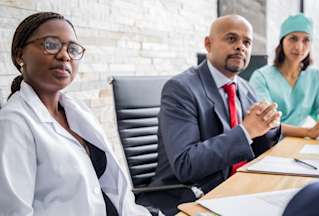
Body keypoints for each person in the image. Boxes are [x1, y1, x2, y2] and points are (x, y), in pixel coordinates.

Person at [0, 12, 153, 216]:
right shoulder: (13, 123)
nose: (65, 56)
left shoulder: (76, 110)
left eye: (72, 49)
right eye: (51, 44)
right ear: (20, 56)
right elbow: (14, 212)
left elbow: (110, 188)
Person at [137, 14, 282, 215]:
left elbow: (255, 149)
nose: (241, 46)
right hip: (188, 196)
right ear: (208, 44)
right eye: (232, 39)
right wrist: (246, 131)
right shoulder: (181, 89)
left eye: (247, 42)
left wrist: (269, 127)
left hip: (235, 189)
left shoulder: (246, 88)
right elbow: (186, 165)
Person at [249, 13, 319, 139]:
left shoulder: (314, 77)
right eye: (293, 38)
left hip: (299, 144)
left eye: (306, 40)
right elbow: (266, 122)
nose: (299, 47)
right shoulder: (261, 77)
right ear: (282, 41)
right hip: (269, 143)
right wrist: (308, 132)